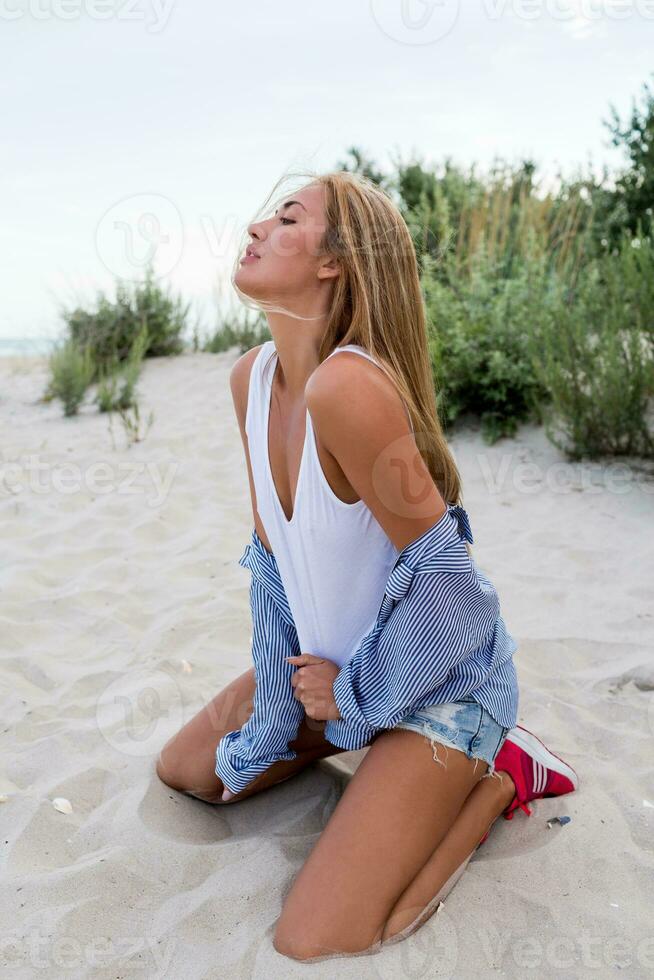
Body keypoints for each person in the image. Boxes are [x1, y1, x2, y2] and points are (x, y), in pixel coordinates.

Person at [155, 171, 578, 962]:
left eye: (287, 218)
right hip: (336, 677)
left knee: (316, 937)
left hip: (441, 684)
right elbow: (272, 571)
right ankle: (362, 744)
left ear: (334, 264)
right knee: (191, 772)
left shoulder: (348, 388)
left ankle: (501, 778)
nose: (257, 225)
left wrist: (352, 696)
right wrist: (286, 709)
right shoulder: (249, 379)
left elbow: (454, 593)